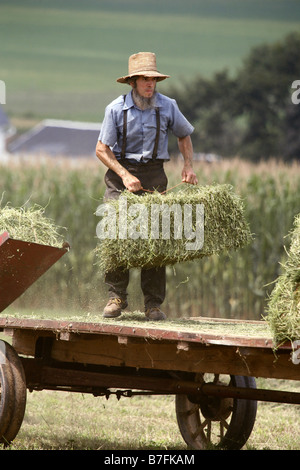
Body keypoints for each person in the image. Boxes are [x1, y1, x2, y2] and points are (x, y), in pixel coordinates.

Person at [96, 52, 198, 321]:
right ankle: (115, 298)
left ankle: (153, 304)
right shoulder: (115, 109)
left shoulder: (168, 106)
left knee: (156, 237)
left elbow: (184, 135)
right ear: (133, 82)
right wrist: (124, 174)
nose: (150, 84)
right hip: (120, 177)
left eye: (153, 79)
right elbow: (101, 150)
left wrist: (188, 166)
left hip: (154, 175)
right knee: (116, 234)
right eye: (144, 79)